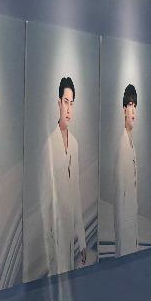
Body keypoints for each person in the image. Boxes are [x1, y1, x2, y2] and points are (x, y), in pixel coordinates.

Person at [38, 77, 86, 277]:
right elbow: (44, 204)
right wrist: (50, 251)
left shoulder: (74, 144)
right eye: (65, 102)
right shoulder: (49, 146)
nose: (68, 109)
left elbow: (76, 194)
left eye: (71, 103)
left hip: (70, 238)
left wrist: (82, 240)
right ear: (59, 103)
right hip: (56, 240)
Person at [115, 84, 139, 256]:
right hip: (125, 232)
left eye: (135, 106)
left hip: (132, 226)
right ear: (124, 110)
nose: (133, 111)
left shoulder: (132, 146)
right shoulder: (122, 146)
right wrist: (120, 242)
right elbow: (118, 197)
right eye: (130, 105)